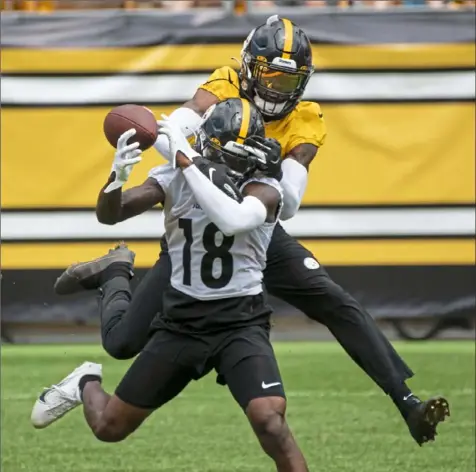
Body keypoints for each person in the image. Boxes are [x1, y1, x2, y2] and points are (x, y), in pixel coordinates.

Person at [53, 15, 449, 446]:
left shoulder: (306, 117)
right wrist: (201, 160)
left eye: (288, 79)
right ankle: (115, 272)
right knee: (123, 343)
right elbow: (170, 138)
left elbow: (290, 203)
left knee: (333, 300)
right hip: (195, 240)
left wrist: (250, 169)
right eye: (271, 75)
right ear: (248, 66)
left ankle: (406, 400)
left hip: (256, 231)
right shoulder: (223, 84)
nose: (278, 88)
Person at [31, 98, 310, 472]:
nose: (238, 163)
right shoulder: (176, 175)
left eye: (245, 153)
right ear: (209, 144)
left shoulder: (265, 188)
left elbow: (232, 219)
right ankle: (86, 380)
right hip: (183, 322)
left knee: (270, 421)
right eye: (231, 153)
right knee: (109, 427)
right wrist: (115, 180)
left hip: (240, 322)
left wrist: (185, 161)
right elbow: (111, 215)